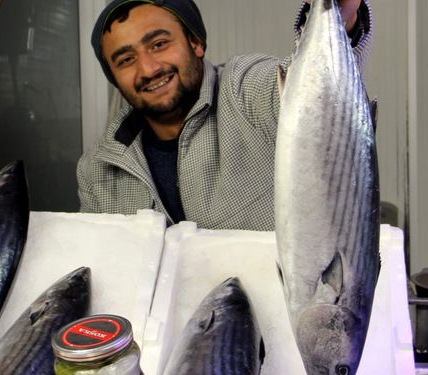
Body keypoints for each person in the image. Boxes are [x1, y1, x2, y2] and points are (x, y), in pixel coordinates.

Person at [76, 0, 372, 231]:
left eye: (159, 44)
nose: (149, 69)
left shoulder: (244, 90)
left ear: (195, 43)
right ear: (114, 78)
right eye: (126, 60)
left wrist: (342, 22)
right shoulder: (97, 170)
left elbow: (315, 89)